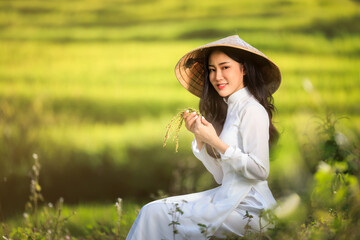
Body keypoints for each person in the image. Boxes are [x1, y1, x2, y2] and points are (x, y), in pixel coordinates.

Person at [126, 35, 281, 240]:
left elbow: (260, 171)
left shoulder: (252, 110)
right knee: (152, 211)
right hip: (228, 199)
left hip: (252, 208)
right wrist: (201, 140)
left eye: (225, 67)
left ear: (243, 69)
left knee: (157, 215)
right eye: (212, 69)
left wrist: (215, 142)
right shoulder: (230, 110)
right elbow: (222, 177)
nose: (217, 76)